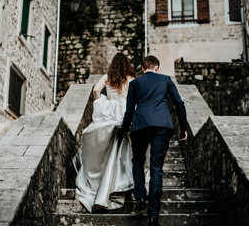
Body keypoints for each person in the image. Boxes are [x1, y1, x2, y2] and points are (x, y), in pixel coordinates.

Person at [73, 53, 149, 212]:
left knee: (110, 147)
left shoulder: (107, 76)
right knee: (127, 146)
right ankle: (125, 183)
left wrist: (103, 102)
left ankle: (106, 185)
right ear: (128, 64)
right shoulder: (132, 80)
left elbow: (96, 90)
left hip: (110, 112)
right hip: (127, 113)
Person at [122, 55, 188, 226]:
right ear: (157, 67)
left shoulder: (135, 83)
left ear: (142, 69)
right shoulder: (166, 80)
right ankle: (153, 216)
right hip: (162, 125)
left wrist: (124, 128)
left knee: (137, 160)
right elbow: (179, 104)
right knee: (156, 168)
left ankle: (140, 197)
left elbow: (129, 110)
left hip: (140, 125)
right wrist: (183, 128)